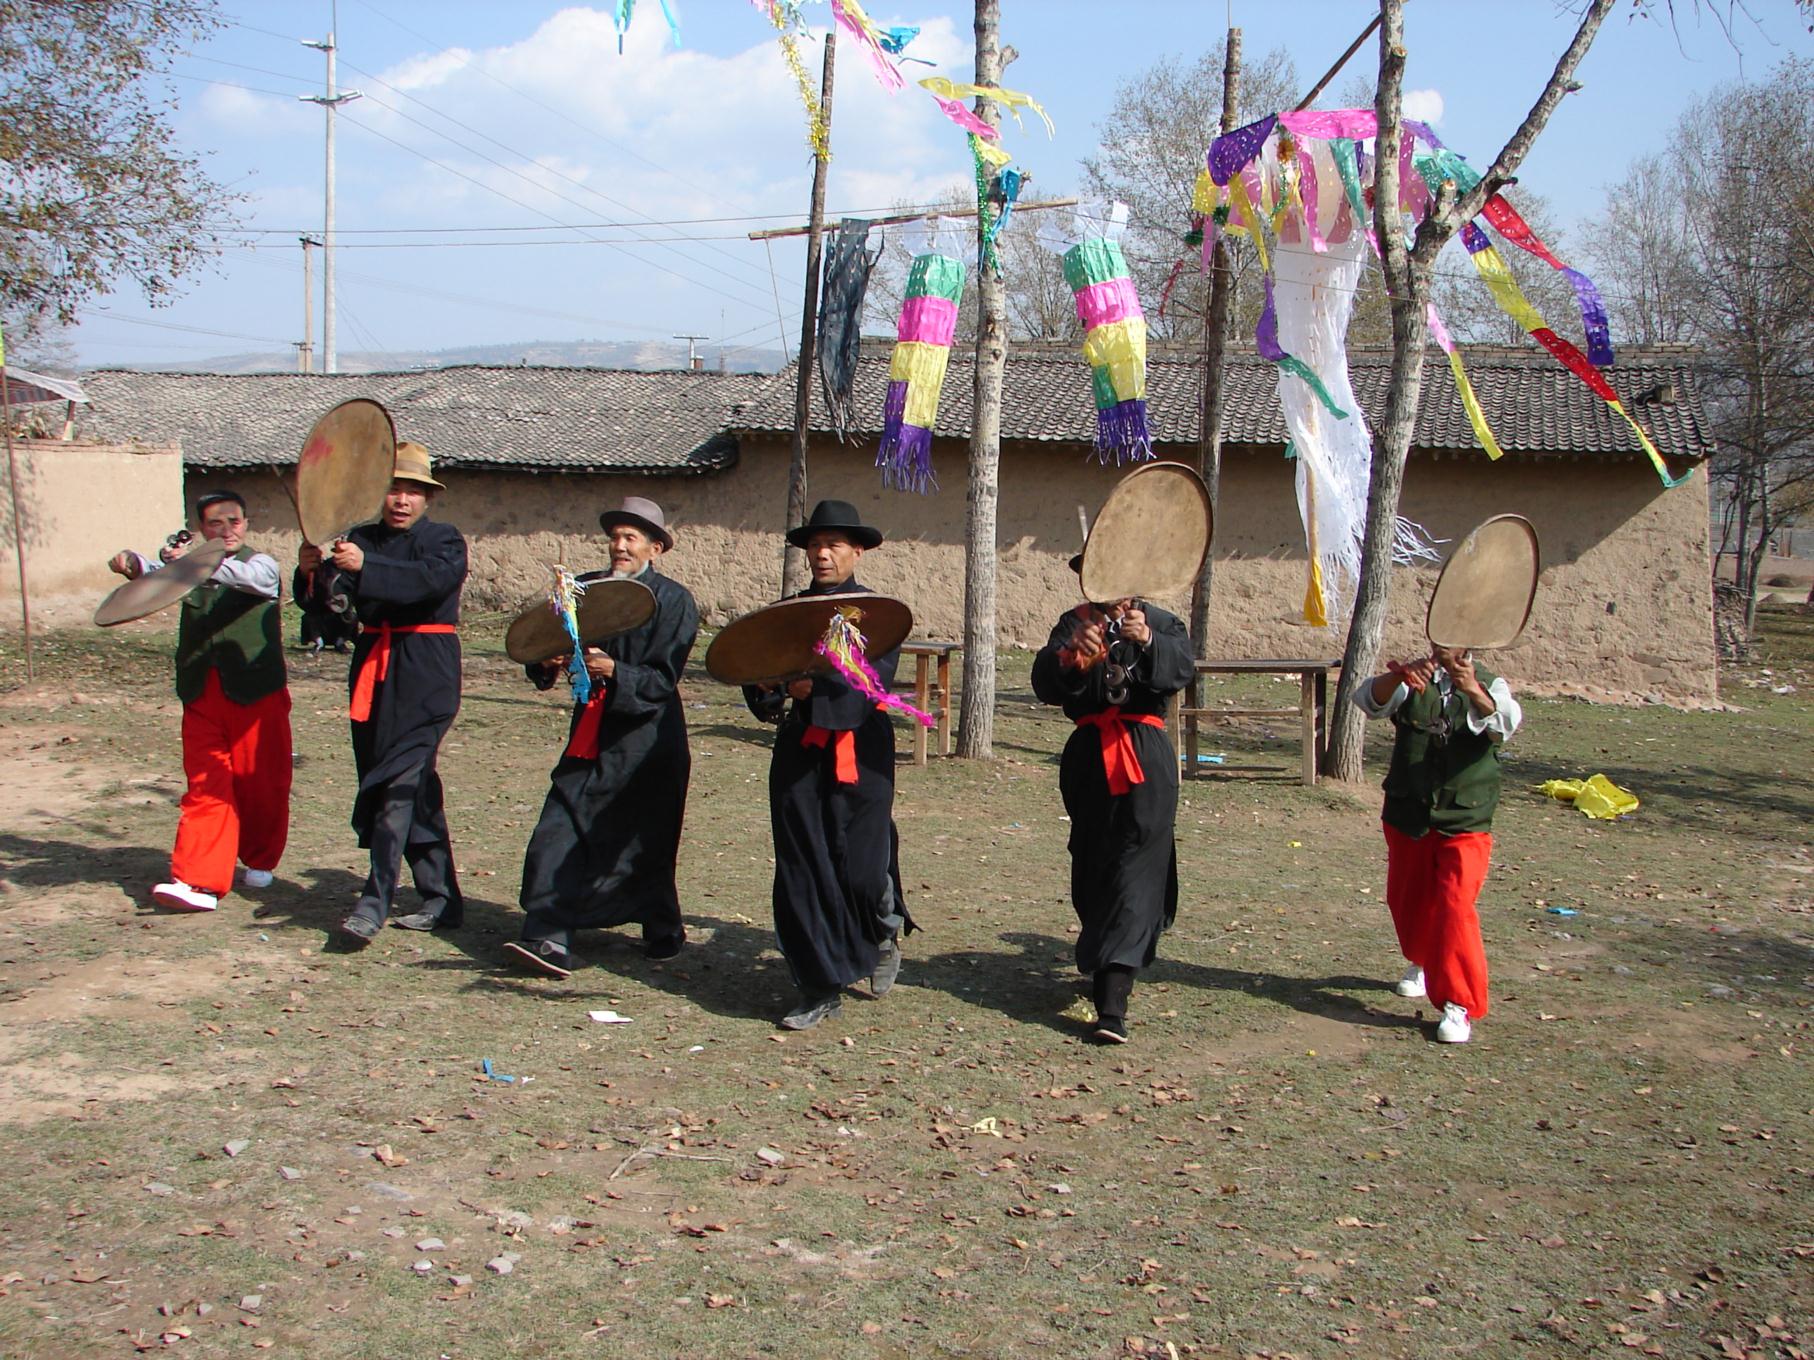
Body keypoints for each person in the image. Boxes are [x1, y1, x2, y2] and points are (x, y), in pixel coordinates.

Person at [505, 497, 699, 979]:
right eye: (615, 536)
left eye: (632, 537)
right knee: (560, 825)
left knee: (645, 844)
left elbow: (662, 677)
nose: (620, 545)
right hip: (591, 733)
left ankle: (662, 926)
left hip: (648, 741)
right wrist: (547, 660)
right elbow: (548, 644)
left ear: (656, 548)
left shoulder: (674, 601)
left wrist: (617, 670)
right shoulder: (584, 590)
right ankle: (547, 931)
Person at [742, 499, 912, 1030]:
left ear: (856, 551)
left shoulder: (878, 615)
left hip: (862, 751)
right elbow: (760, 673)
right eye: (815, 545)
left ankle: (882, 927)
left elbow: (868, 682)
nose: (822, 554)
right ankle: (818, 987)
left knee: (860, 869)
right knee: (801, 867)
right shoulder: (789, 612)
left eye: (834, 544)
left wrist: (812, 687)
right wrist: (769, 688)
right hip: (801, 751)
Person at [296, 441, 467, 945]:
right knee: (411, 785)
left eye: (413, 491)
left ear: (427, 499)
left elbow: (427, 583)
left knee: (395, 785)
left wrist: (364, 566)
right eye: (394, 488)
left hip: (428, 673)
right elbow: (329, 610)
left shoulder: (444, 540)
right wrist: (313, 571)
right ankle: (442, 897)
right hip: (373, 671)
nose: (401, 500)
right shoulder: (359, 539)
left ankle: (374, 901)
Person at [106, 491, 293, 913]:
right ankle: (197, 879)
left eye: (235, 522)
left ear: (246, 524)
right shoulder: (186, 567)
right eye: (215, 524)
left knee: (262, 783)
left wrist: (193, 564)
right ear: (201, 530)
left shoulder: (261, 565)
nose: (227, 531)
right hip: (201, 691)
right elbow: (152, 574)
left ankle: (260, 857)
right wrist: (132, 563)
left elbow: (247, 581)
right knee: (207, 786)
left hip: (256, 692)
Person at [1031, 576, 1193, 1043]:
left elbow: (1182, 670)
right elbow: (1046, 684)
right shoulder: (1075, 623)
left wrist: (1149, 640)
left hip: (1144, 756)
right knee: (1092, 858)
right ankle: (1106, 953)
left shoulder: (1161, 622)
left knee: (1139, 861)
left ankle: (1112, 1002)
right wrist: (1069, 657)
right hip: (1088, 757)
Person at [1351, 645, 1523, 1044]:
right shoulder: (1415, 680)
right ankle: (1424, 958)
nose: (1445, 649)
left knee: (1455, 906)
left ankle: (1459, 1004)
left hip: (1465, 818)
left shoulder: (1491, 683)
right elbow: (1369, 701)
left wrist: (1473, 689)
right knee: (1407, 902)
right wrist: (1397, 677)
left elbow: (1504, 727)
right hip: (1409, 812)